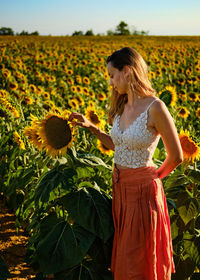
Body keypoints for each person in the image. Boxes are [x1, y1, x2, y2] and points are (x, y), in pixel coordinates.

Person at [68, 47, 183, 280]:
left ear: (128, 71)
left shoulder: (155, 107)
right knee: (127, 258)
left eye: (112, 75)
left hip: (142, 192)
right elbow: (117, 145)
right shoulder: (122, 106)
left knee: (140, 258)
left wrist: (151, 179)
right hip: (120, 189)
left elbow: (176, 156)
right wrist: (90, 127)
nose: (111, 82)